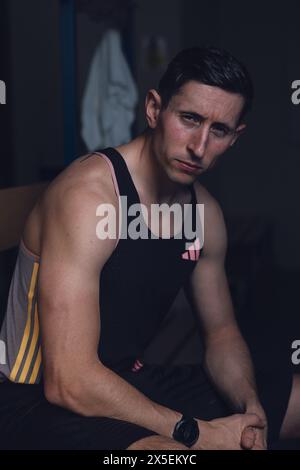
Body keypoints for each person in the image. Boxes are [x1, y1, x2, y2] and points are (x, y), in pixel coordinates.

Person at [0, 47, 299, 450]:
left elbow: (222, 334)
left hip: (123, 384)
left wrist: (250, 407)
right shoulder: (89, 197)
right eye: (189, 119)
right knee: (175, 457)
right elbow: (68, 381)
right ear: (155, 109)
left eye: (219, 130)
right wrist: (197, 432)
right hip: (35, 401)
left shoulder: (204, 215)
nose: (199, 145)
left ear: (235, 137)